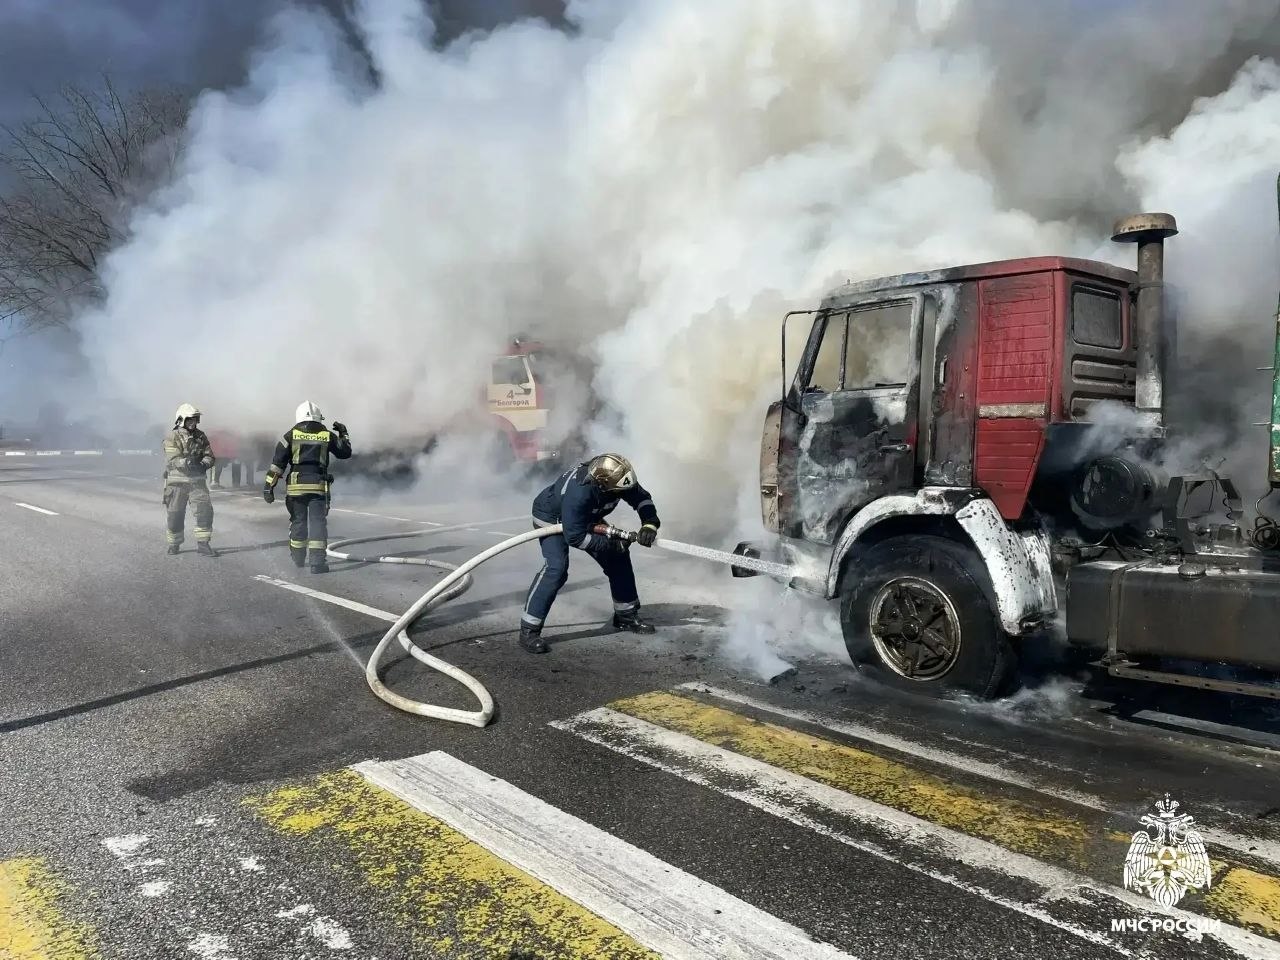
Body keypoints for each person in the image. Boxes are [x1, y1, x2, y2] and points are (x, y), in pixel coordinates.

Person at [519, 452, 661, 654]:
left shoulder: (616, 477)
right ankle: (529, 630)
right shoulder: (580, 493)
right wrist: (613, 545)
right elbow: (576, 537)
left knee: (618, 558)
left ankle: (626, 616)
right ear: (603, 485)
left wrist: (649, 524)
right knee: (557, 569)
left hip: (584, 517)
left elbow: (641, 499)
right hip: (552, 518)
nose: (624, 492)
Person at [263, 401, 352, 573]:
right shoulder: (326, 435)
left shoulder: (289, 436)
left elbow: (277, 465)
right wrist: (343, 433)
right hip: (318, 487)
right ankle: (317, 563)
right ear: (319, 417)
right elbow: (345, 453)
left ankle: (298, 558)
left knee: (298, 521)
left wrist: (268, 487)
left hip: (296, 488)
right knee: (318, 523)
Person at [162, 403, 217, 556]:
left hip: (197, 483)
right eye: (190, 420)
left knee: (204, 513)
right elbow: (173, 459)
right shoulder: (172, 437)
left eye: (195, 419)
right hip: (176, 484)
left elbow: (210, 456)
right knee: (175, 516)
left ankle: (203, 544)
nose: (194, 423)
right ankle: (174, 544)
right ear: (181, 420)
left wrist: (203, 464)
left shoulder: (201, 436)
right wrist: (187, 462)